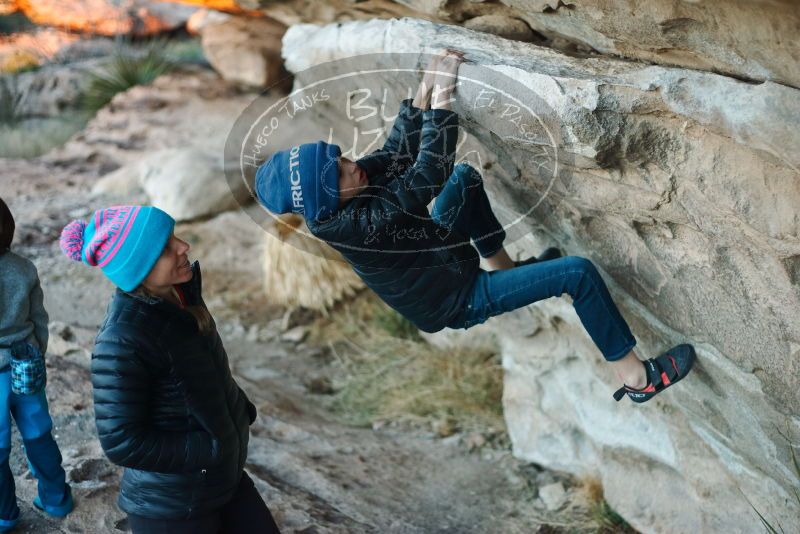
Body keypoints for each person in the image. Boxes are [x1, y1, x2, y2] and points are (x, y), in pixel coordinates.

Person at [254, 49, 695, 403]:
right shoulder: (350, 225)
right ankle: (636, 377)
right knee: (576, 274)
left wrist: (423, 87)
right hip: (455, 299)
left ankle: (503, 269)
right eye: (340, 173)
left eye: (341, 157)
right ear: (327, 200)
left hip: (442, 255)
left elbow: (397, 154)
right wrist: (444, 97)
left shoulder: (349, 185)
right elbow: (426, 173)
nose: (351, 166)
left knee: (465, 181)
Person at [59, 205, 281, 533]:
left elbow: (203, 376)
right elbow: (122, 441)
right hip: (174, 508)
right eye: (165, 248)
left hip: (223, 480)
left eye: (173, 236)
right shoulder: (122, 338)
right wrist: (213, 447)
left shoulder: (179, 296)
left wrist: (237, 409)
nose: (183, 247)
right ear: (138, 268)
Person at [0, 197, 73, 531]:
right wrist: (37, 353)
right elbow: (40, 319)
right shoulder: (24, 268)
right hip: (24, 365)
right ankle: (56, 499)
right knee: (39, 435)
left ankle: (5, 514)